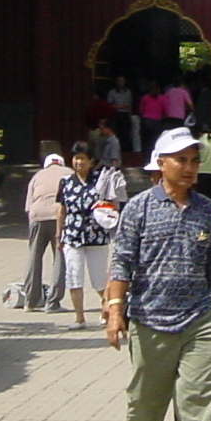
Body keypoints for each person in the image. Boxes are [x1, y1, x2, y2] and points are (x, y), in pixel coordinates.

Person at [105, 127, 211, 421]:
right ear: (161, 164)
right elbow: (121, 262)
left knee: (198, 398)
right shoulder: (139, 208)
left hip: (199, 319)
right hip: (150, 319)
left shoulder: (205, 209)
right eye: (181, 160)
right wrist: (115, 312)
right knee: (146, 398)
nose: (189, 168)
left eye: (194, 161)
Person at [57, 141, 126, 329]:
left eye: (82, 158)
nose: (79, 162)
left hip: (97, 235)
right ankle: (79, 318)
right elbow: (61, 210)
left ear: (90, 160)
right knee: (74, 276)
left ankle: (108, 310)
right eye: (76, 158)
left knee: (99, 279)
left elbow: (113, 204)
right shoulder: (65, 182)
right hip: (72, 235)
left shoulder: (101, 180)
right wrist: (58, 235)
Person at [17, 153, 68, 311]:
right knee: (60, 258)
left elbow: (28, 206)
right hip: (60, 216)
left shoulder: (37, 176)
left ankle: (30, 302)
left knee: (34, 256)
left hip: (37, 216)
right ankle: (53, 303)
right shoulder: (70, 174)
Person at [105, 74, 135, 154]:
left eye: (122, 81)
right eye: (119, 81)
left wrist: (130, 115)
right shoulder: (112, 92)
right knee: (117, 132)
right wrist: (120, 106)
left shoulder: (128, 92)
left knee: (126, 133)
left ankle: (126, 150)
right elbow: (109, 106)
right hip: (116, 115)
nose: (121, 83)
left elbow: (129, 105)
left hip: (125, 115)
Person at [137, 83, 168, 156]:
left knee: (146, 141)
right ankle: (153, 156)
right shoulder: (163, 98)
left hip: (146, 120)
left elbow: (140, 110)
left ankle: (146, 157)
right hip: (157, 121)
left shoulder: (145, 98)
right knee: (154, 141)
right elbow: (166, 112)